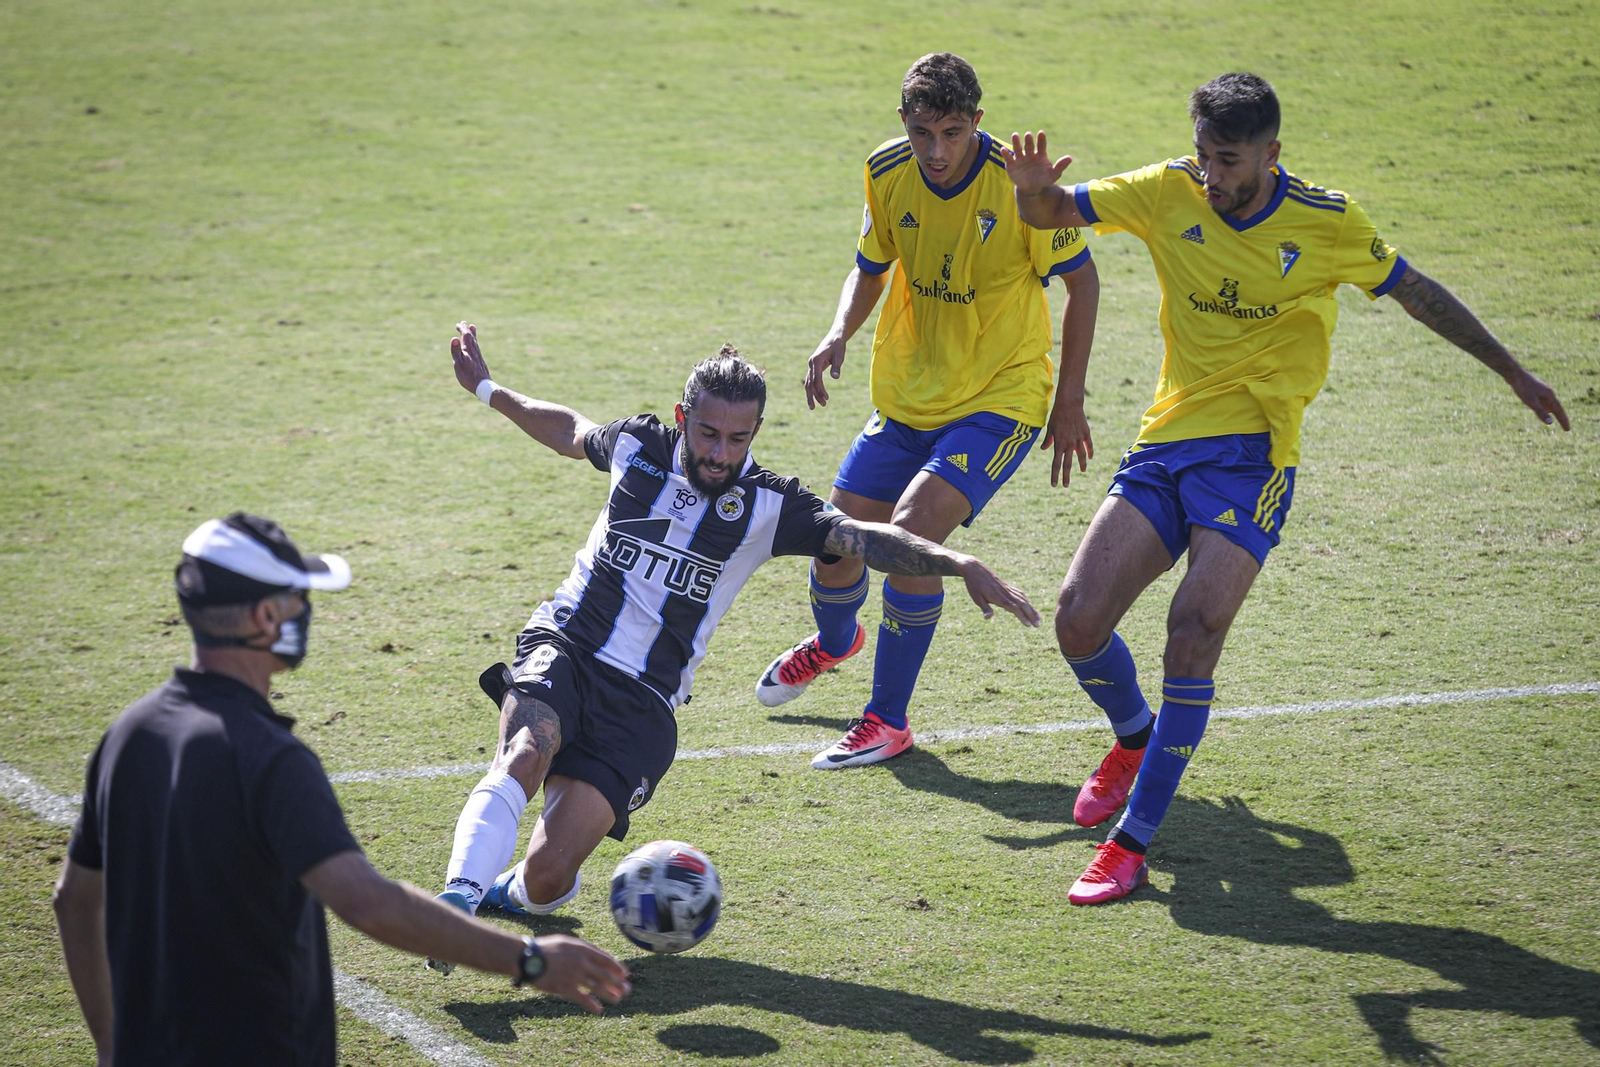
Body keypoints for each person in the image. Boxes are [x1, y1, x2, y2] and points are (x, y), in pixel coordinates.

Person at [1001, 72, 1570, 904]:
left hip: (1256, 458)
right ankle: (1133, 740)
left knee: (1192, 630)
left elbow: (1414, 291)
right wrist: (1031, 192)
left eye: (1228, 160)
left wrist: (1511, 370)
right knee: (1078, 618)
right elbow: (1052, 216)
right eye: (1203, 154)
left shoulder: (1328, 222)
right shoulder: (1167, 190)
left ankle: (1133, 843)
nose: (1212, 175)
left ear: (1272, 154)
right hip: (1168, 442)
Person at [435, 323, 1039, 926]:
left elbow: (863, 538)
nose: (720, 454)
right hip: (569, 643)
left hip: (643, 698)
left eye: (737, 439)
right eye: (708, 434)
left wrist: (954, 560)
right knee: (524, 751)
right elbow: (571, 431)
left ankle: (512, 889)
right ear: (681, 417)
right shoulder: (639, 446)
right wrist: (487, 387)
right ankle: (458, 898)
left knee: (547, 877)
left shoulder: (769, 505)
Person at [52, 514, 630, 1067]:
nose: (305, 611)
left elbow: (75, 901)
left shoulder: (130, 733)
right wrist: (527, 960)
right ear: (261, 617)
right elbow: (370, 904)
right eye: (295, 599)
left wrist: (110, 1047)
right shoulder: (269, 759)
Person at [752, 52, 1101, 770]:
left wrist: (1068, 399)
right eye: (921, 132)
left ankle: (887, 720)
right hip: (909, 391)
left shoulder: (1018, 186)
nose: (936, 151)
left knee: (911, 533)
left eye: (951, 131)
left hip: (1000, 399)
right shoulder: (887, 170)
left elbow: (1084, 283)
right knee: (838, 536)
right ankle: (837, 640)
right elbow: (871, 262)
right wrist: (836, 332)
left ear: (978, 120)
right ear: (903, 125)